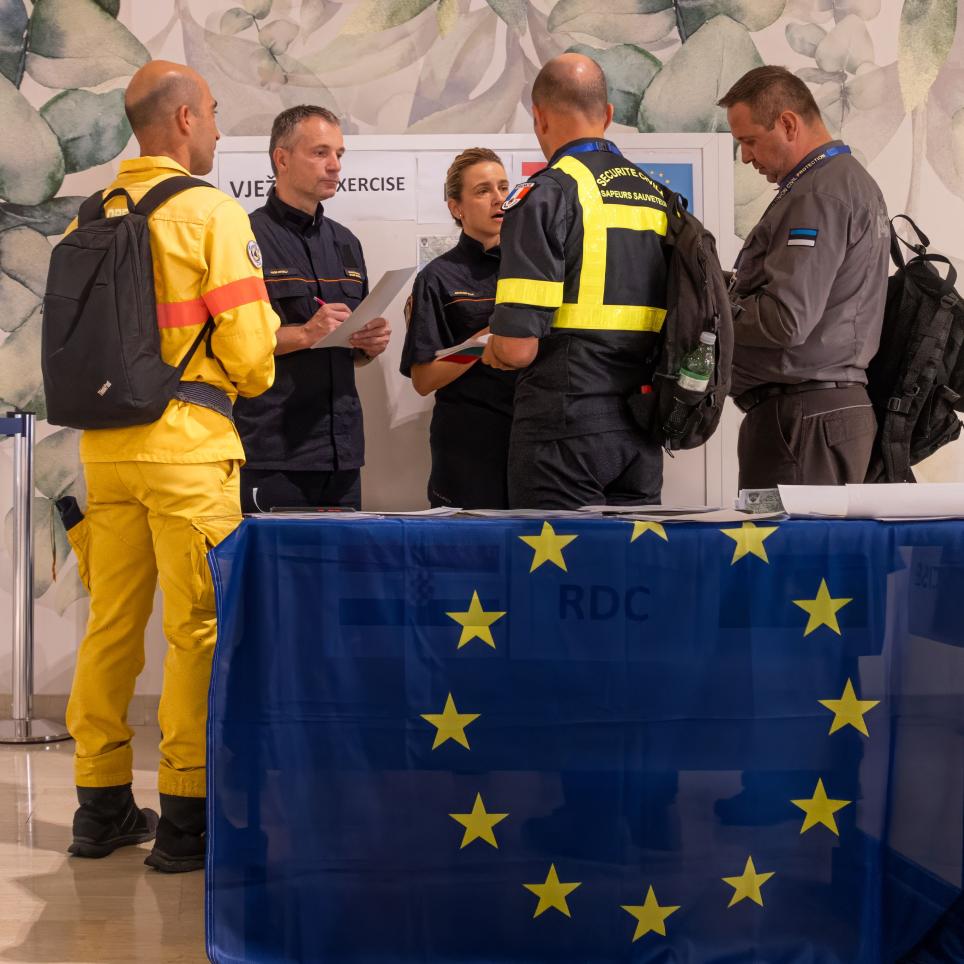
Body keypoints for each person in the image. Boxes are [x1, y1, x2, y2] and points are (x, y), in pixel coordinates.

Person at [64, 61, 279, 872]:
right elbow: (252, 357)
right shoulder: (208, 212)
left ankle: (101, 807)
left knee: (112, 623)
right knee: (198, 630)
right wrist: (244, 371)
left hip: (106, 449)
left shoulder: (90, 213)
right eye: (216, 113)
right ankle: (187, 818)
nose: (220, 130)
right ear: (185, 118)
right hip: (187, 448)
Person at [481, 54, 669, 509]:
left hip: (564, 428)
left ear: (539, 118)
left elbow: (516, 347)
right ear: (608, 115)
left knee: (552, 577)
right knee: (629, 576)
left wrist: (494, 349)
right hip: (643, 425)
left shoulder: (546, 194)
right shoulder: (657, 195)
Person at [719, 65, 889, 488]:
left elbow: (786, 320)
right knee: (815, 553)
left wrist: (709, 304)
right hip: (819, 415)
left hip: (801, 420)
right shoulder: (846, 182)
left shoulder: (818, 193)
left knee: (789, 554)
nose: (746, 157)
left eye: (749, 141)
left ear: (788, 123)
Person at [233, 106, 391, 512]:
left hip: (341, 452)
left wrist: (366, 345)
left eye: (339, 154)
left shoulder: (347, 243)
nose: (335, 165)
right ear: (281, 159)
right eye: (320, 153)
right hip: (272, 450)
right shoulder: (243, 238)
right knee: (274, 575)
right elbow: (233, 345)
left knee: (340, 574)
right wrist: (304, 334)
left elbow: (351, 354)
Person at [400, 148, 516, 508]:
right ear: (456, 207)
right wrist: (482, 343)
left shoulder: (534, 269)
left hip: (533, 440)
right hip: (469, 443)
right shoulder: (437, 277)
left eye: (503, 187)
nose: (499, 198)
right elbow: (423, 380)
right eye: (483, 190)